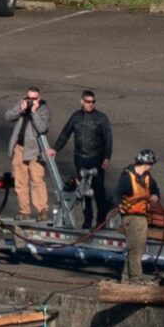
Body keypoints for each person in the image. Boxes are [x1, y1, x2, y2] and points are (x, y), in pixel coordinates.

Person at [46, 89, 112, 228]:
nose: (90, 104)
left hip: (96, 159)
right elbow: (65, 134)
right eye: (87, 101)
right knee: (83, 191)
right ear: (81, 101)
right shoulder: (75, 117)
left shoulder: (101, 118)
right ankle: (87, 220)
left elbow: (108, 139)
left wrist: (106, 158)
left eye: (93, 102)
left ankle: (101, 221)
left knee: (99, 190)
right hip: (81, 159)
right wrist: (55, 149)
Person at [5, 87, 50, 221]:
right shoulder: (22, 104)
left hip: (35, 150)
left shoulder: (44, 110)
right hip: (19, 147)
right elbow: (8, 116)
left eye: (34, 99)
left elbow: (42, 128)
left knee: (37, 180)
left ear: (39, 98)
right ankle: (24, 211)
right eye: (28, 98)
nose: (31, 101)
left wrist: (34, 112)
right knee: (20, 181)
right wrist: (21, 109)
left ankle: (42, 210)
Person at [116, 149, 160, 284]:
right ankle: (135, 279)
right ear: (146, 163)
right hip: (133, 217)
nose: (151, 167)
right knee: (136, 250)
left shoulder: (147, 177)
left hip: (140, 216)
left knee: (133, 249)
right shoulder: (127, 176)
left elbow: (155, 190)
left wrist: (155, 196)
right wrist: (120, 206)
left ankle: (126, 278)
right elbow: (118, 194)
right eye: (150, 164)